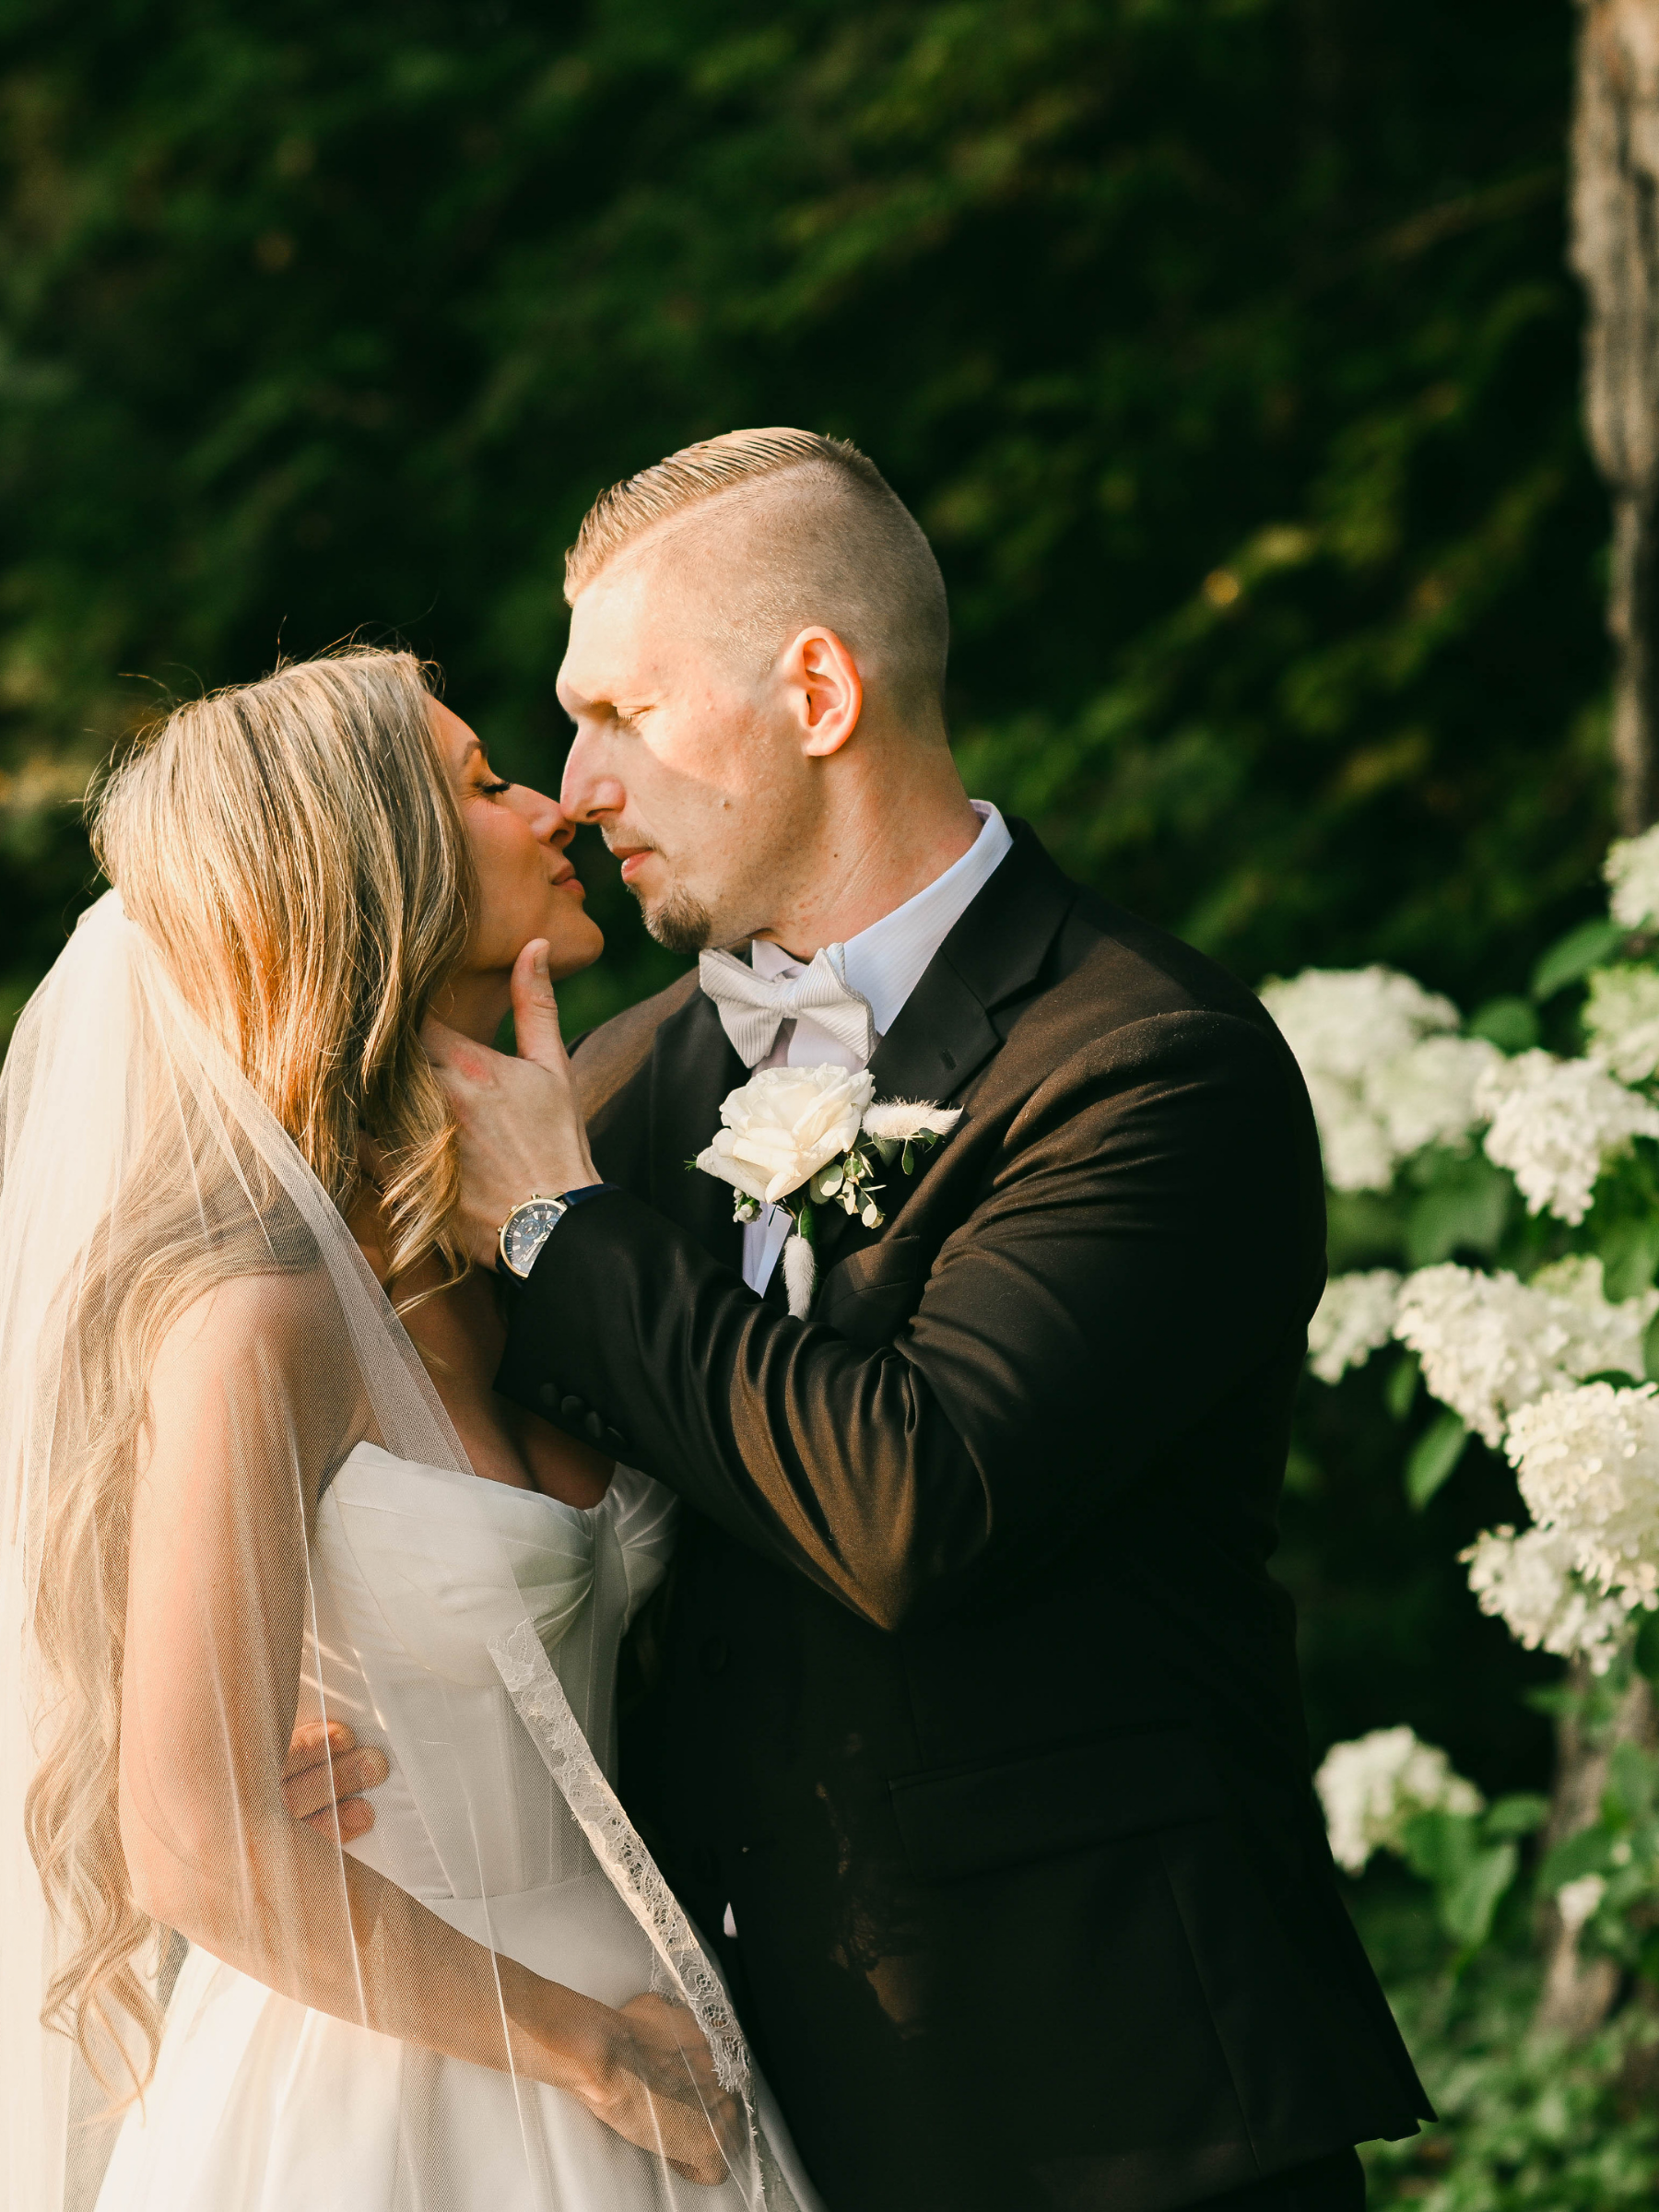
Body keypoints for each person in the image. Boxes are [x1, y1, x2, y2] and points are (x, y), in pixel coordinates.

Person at [420, 429, 1436, 2212]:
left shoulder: (1141, 1067)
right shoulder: (615, 1087)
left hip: (1114, 2106)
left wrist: (568, 1234)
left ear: (817, 690)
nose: (575, 785)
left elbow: (922, 1501)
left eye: (622, 716)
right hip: (734, 2111)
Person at [0, 648, 822, 2212]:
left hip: (655, 2014)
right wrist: (588, 2050)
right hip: (396, 2076)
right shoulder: (258, 1315)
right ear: (378, 879)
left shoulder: (538, 1213)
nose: (556, 804)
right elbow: (193, 1833)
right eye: (483, 785)